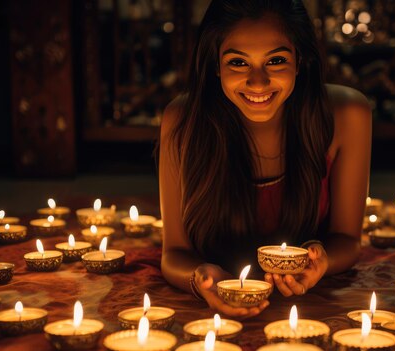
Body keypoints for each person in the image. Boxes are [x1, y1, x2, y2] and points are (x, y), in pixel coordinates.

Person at [159, 0, 371, 318]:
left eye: (275, 60)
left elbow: (347, 240)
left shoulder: (346, 116)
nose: (258, 82)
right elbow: (174, 253)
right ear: (216, 65)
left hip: (309, 306)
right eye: (238, 63)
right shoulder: (184, 120)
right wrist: (202, 279)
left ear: (299, 60)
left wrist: (322, 262)